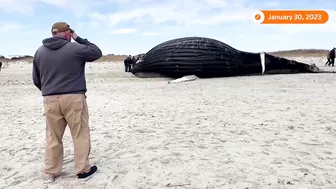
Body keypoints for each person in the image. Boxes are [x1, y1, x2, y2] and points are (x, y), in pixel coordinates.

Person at [32, 21, 102, 183]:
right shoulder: (75, 48)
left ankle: (51, 171)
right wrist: (78, 38)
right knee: (80, 133)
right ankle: (83, 169)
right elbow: (96, 52)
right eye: (70, 33)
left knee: (52, 136)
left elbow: (36, 79)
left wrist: (49, 90)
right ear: (67, 33)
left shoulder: (39, 52)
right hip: (73, 97)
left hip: (50, 98)